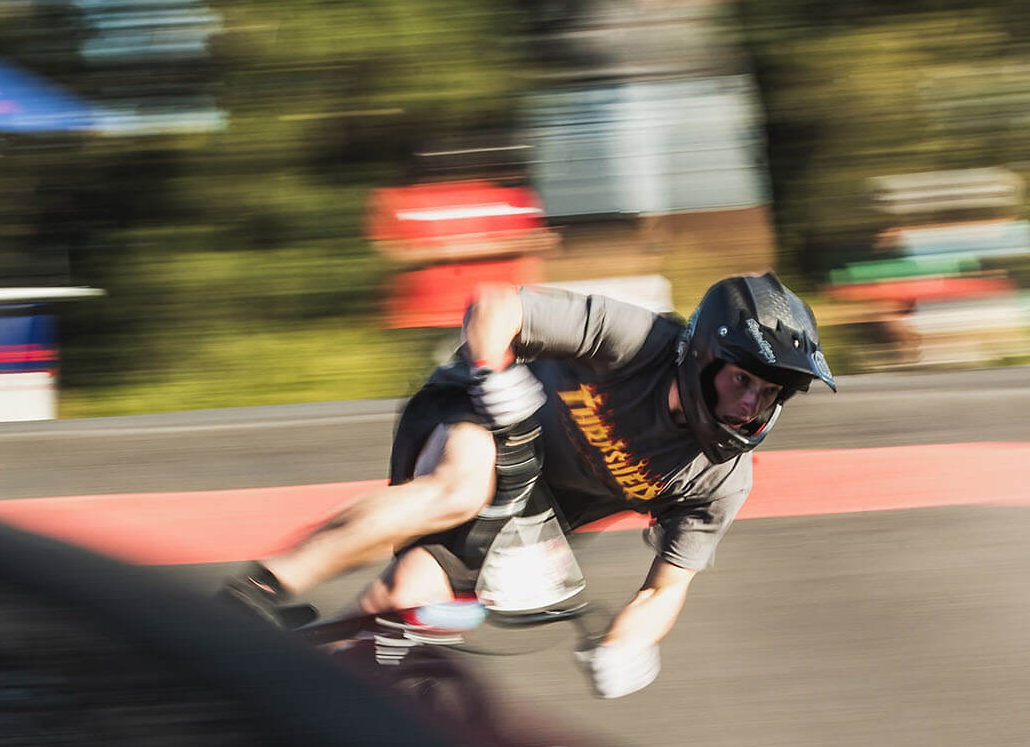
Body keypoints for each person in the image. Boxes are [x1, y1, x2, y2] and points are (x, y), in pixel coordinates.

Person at [218, 272, 837, 699]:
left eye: (771, 391)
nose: (751, 404)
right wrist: (497, 376)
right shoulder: (639, 342)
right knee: (462, 487)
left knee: (404, 607)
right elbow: (496, 304)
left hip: (527, 512)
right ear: (703, 358)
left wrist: (628, 646)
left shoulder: (724, 479)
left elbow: (665, 590)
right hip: (480, 413)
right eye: (743, 381)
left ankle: (295, 672)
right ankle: (255, 592)